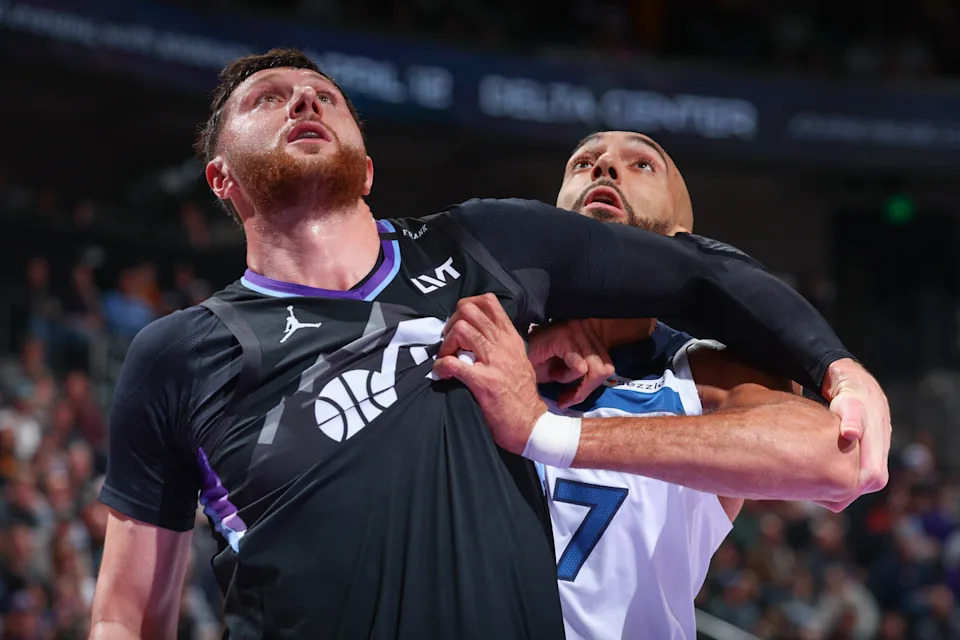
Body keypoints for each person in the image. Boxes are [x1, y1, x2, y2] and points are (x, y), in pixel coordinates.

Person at [90, 49, 882, 638]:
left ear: (367, 170)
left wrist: (839, 369)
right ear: (221, 178)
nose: (302, 99)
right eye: (269, 97)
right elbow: (126, 614)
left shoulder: (677, 362)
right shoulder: (504, 325)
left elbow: (834, 451)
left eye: (640, 161)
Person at [432, 132, 891, 637]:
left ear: (681, 234)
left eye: (642, 164)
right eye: (583, 163)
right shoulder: (484, 337)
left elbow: (835, 457)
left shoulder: (708, 372)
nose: (605, 167)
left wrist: (545, 431)